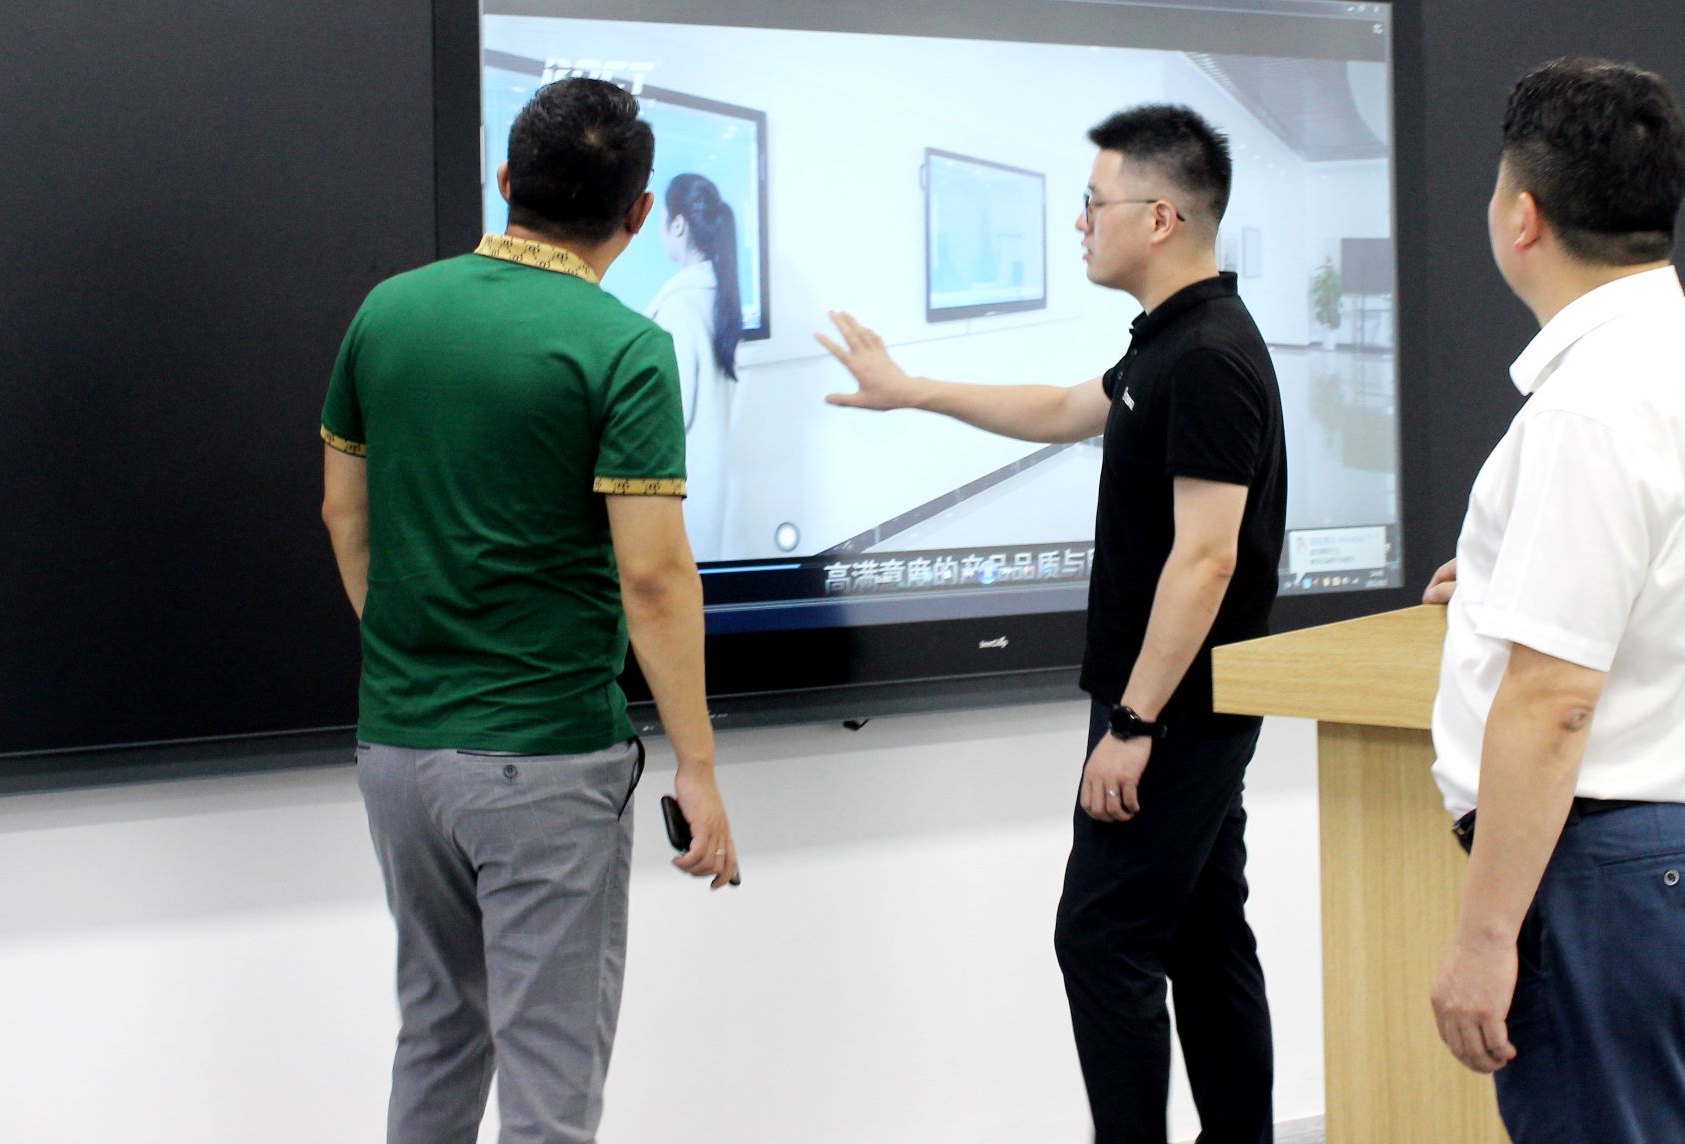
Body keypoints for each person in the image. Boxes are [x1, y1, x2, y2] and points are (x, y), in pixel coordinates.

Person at [820, 104, 1283, 1144]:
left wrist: (1134, 721)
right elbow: (1063, 409)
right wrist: (912, 389)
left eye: (1093, 201)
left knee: (1102, 940)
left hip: (1172, 712)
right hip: (1179, 708)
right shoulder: (1174, 340)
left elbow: (1206, 557)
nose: (1079, 221)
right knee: (1205, 934)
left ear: (1159, 218)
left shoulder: (1208, 355)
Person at [318, 76, 740, 1144]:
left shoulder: (388, 310)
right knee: (551, 1089)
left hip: (398, 750)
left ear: (505, 180)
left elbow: (342, 511)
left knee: (438, 1037)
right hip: (545, 760)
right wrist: (697, 766)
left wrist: (410, 653)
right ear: (636, 213)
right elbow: (655, 577)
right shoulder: (623, 346)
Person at [1423, 58, 1685, 1144]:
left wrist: (1485, 939)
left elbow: (1554, 702)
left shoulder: (1587, 404)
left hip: (1614, 877)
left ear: (1522, 215)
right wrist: (1506, 582)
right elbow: (1673, 566)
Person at [645, 172, 741, 559]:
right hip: (711, 481)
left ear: (679, 225)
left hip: (683, 488)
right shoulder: (717, 292)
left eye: (661, 220)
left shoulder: (679, 305)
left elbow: (672, 412)